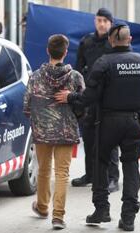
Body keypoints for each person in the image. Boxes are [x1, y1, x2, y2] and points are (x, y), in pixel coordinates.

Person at [55, 22, 140, 231]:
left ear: (111, 40)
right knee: (131, 167)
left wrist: (71, 97)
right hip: (133, 122)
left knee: (100, 163)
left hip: (107, 123)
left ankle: (101, 210)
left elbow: (90, 96)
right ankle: (128, 217)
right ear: (130, 40)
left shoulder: (103, 63)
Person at [23, 34, 85, 230]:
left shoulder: (35, 77)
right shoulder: (75, 77)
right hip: (66, 133)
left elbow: (26, 106)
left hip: (42, 133)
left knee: (43, 169)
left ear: (48, 51)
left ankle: (42, 207)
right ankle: (58, 217)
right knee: (62, 173)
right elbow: (84, 105)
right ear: (66, 52)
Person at [72, 7, 121, 193]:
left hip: (110, 99)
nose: (102, 24)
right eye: (99, 20)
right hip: (90, 98)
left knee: (111, 139)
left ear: (111, 23)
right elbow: (78, 70)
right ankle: (91, 175)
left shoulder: (115, 43)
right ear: (95, 21)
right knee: (90, 138)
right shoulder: (86, 41)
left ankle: (112, 178)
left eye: (105, 21)